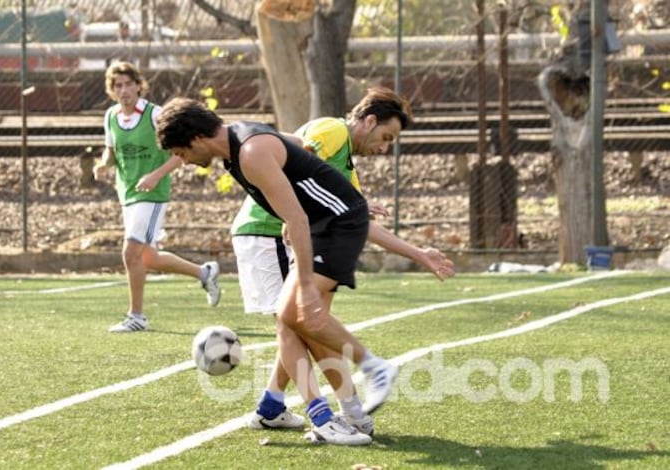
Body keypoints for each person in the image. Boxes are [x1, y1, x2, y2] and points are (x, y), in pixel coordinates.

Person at [157, 97, 429, 446]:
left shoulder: (250, 153)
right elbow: (300, 145)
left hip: (333, 226)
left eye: (180, 153)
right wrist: (304, 183)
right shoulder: (240, 136)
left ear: (195, 138)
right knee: (298, 320)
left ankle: (346, 396)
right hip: (335, 221)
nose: (183, 162)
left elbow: (297, 218)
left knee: (293, 317)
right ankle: (341, 404)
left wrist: (303, 282)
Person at [231, 87, 455, 437]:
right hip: (267, 231)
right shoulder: (331, 131)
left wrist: (418, 254)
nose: (384, 148)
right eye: (386, 137)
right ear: (367, 121)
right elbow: (296, 163)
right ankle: (333, 414)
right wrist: (295, 218)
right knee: (294, 323)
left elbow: (357, 221)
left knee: (304, 322)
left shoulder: (347, 168)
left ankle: (274, 406)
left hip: (293, 235)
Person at [94, 62, 221, 333]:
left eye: (129, 83)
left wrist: (155, 175)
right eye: (118, 85)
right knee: (148, 258)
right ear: (112, 90)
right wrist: (103, 164)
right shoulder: (111, 117)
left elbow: (181, 152)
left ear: (139, 85)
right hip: (127, 193)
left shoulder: (155, 114)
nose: (124, 89)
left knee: (131, 252)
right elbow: (111, 151)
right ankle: (204, 273)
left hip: (153, 195)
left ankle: (136, 316)